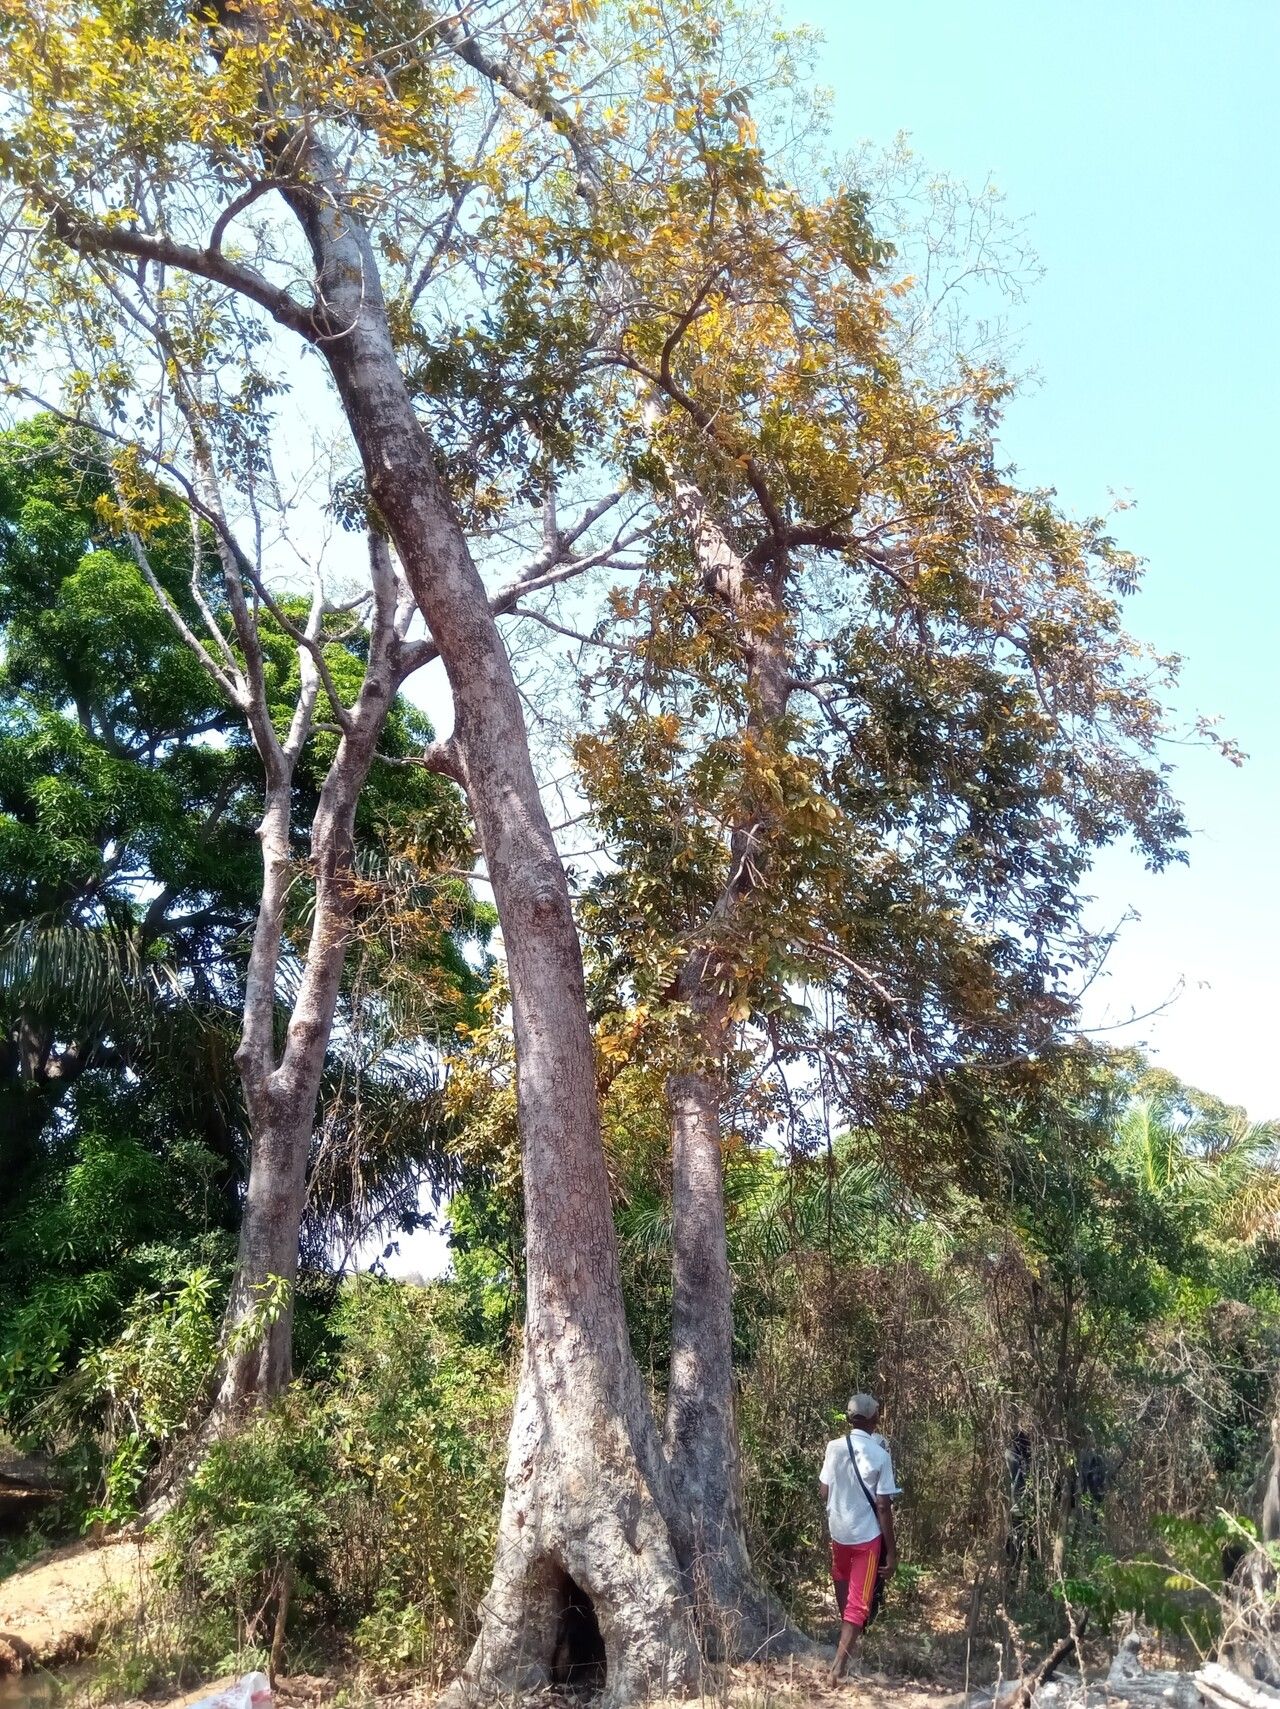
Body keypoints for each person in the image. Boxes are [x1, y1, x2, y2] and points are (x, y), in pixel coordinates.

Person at [819, 1392, 901, 1684]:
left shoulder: (833, 1447)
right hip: (866, 1538)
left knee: (841, 1578)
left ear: (850, 1417)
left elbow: (824, 1491)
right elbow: (883, 1505)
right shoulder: (880, 1455)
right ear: (873, 1419)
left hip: (838, 1531)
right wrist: (891, 1552)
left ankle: (847, 1644)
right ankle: (839, 1665)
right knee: (859, 1601)